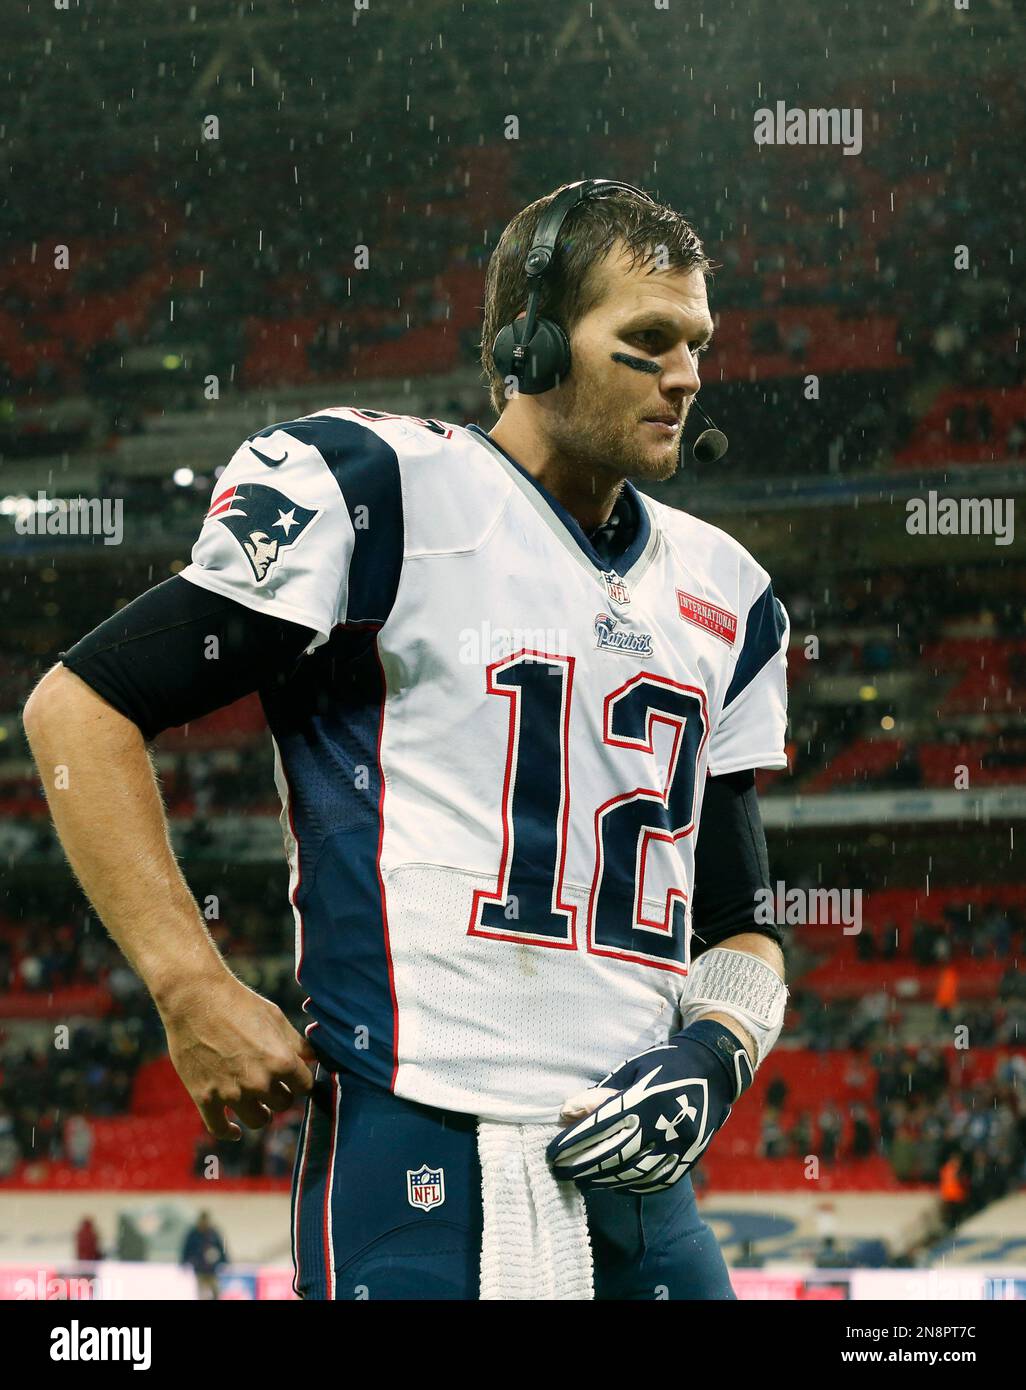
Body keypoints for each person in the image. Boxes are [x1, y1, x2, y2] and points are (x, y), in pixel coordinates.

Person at [23, 179, 790, 1301]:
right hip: (416, 1145)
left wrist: (716, 1056)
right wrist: (190, 982)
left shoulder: (728, 594)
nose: (686, 375)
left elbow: (740, 923)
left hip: (640, 1189)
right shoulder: (382, 493)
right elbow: (78, 707)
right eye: (648, 340)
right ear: (527, 344)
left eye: (697, 343)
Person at [180, 1211, 229, 1300]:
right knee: (202, 1293)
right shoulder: (193, 1234)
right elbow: (186, 1249)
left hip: (212, 1269)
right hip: (199, 1269)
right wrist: (184, 1262)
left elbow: (222, 1247)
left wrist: (224, 1260)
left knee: (216, 1291)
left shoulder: (213, 1233)